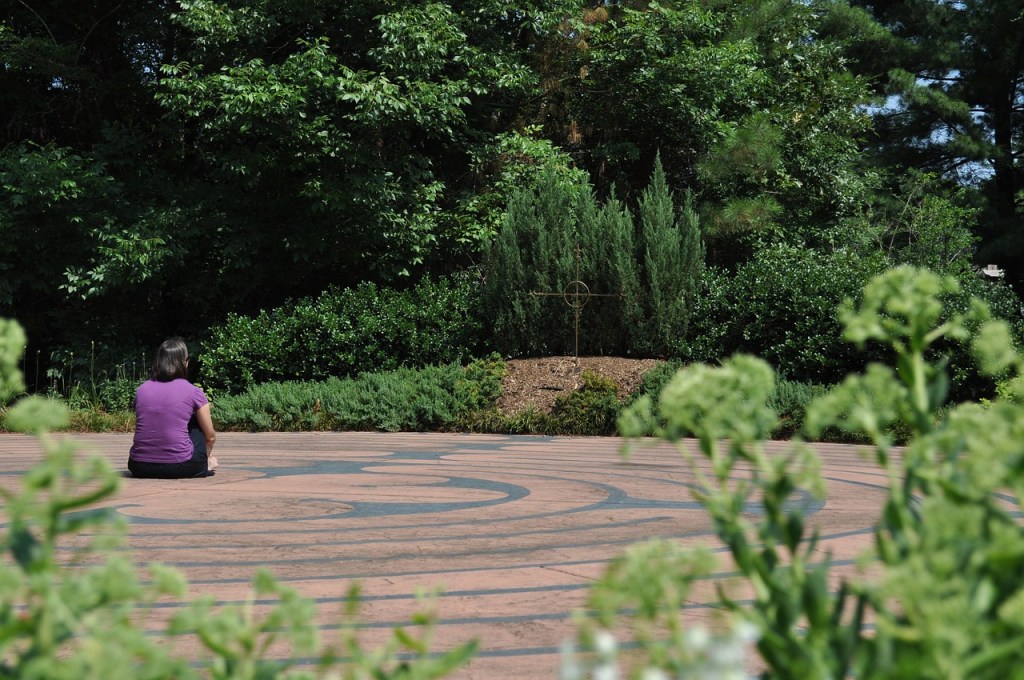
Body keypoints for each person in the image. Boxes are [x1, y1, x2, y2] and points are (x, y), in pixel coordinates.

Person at [128, 337, 218, 479]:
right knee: (195, 421)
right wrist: (205, 459)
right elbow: (211, 437)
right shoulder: (193, 391)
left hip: (139, 466)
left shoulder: (141, 390)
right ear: (184, 363)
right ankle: (205, 463)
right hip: (181, 467)